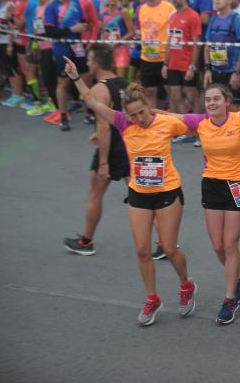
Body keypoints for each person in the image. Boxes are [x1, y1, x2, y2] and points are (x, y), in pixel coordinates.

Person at [63, 57, 196, 326]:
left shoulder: (166, 121)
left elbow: (202, 123)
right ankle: (152, 297)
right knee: (142, 250)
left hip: (168, 191)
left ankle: (185, 285)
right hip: (139, 193)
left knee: (169, 248)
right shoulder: (124, 123)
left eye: (142, 113)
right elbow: (93, 102)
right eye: (133, 115)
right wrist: (77, 78)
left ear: (149, 107)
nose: (139, 119)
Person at [164, 85, 240, 324]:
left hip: (238, 185)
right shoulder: (200, 122)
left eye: (216, 99)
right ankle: (239, 277)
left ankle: (230, 298)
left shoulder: (238, 119)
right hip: (211, 185)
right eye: (208, 99)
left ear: (226, 101)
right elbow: (171, 116)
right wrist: (149, 111)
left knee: (230, 244)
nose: (211, 103)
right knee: (218, 246)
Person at [63, 44, 130, 256]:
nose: (88, 64)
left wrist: (103, 162)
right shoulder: (125, 84)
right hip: (130, 145)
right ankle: (163, 244)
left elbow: (104, 127)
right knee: (140, 198)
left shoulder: (100, 89)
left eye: (90, 60)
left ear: (97, 64)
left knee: (95, 195)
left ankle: (86, 242)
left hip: (111, 149)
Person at [43, 0, 89, 131]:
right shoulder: (52, 7)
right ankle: (63, 116)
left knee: (86, 78)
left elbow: (82, 20)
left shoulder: (76, 3)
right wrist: (71, 29)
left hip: (78, 47)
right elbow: (50, 32)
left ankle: (89, 112)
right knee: (63, 82)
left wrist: (84, 25)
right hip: (62, 49)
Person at [204, 0, 240, 107]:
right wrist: (208, 69)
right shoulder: (213, 19)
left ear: (230, 0)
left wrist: (237, 72)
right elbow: (207, 45)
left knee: (233, 106)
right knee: (217, 105)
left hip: (231, 71)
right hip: (215, 70)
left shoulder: (237, 20)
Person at [162, 0, 202, 122]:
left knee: (191, 94)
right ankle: (184, 126)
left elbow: (197, 44)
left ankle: (199, 126)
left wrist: (192, 66)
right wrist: (165, 63)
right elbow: (169, 40)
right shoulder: (172, 16)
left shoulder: (193, 16)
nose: (175, 0)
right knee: (175, 94)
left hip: (186, 63)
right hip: (173, 63)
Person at [135, 0, 175, 108]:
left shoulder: (168, 7)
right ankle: (154, 123)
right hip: (147, 57)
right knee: (150, 92)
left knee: (168, 92)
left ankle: (169, 121)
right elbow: (139, 29)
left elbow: (174, 32)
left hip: (165, 57)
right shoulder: (140, 9)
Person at [100, 0, 135, 79]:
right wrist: (104, 45)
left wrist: (118, 42)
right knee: (110, 82)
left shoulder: (123, 12)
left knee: (121, 81)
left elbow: (132, 32)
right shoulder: (104, 13)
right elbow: (104, 32)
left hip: (121, 49)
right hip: (108, 50)